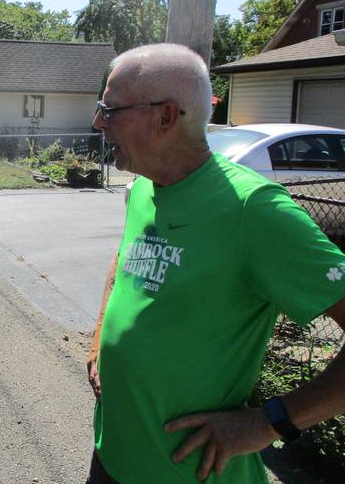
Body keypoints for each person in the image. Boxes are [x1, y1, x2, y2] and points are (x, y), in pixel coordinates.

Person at [84, 44, 345, 483]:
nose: (97, 123)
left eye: (109, 111)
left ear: (166, 116)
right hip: (113, 457)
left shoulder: (254, 210)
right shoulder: (147, 187)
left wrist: (267, 423)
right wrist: (98, 344)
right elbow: (125, 260)